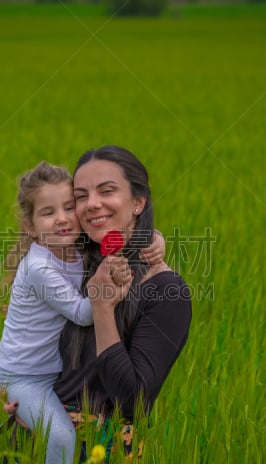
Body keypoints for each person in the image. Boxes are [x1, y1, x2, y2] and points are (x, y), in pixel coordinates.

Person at [0, 161, 164, 464]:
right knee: (61, 437)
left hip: (47, 374)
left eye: (70, 207)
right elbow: (84, 313)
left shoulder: (74, 244)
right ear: (30, 226)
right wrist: (109, 291)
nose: (62, 218)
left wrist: (154, 238)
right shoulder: (41, 266)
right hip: (26, 377)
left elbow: (118, 234)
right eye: (48, 212)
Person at [54, 145, 192, 438]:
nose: (91, 204)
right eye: (81, 196)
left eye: (106, 191)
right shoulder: (70, 266)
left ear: (138, 202)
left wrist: (103, 310)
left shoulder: (166, 291)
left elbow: (132, 402)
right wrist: (16, 391)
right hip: (31, 446)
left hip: (103, 461)